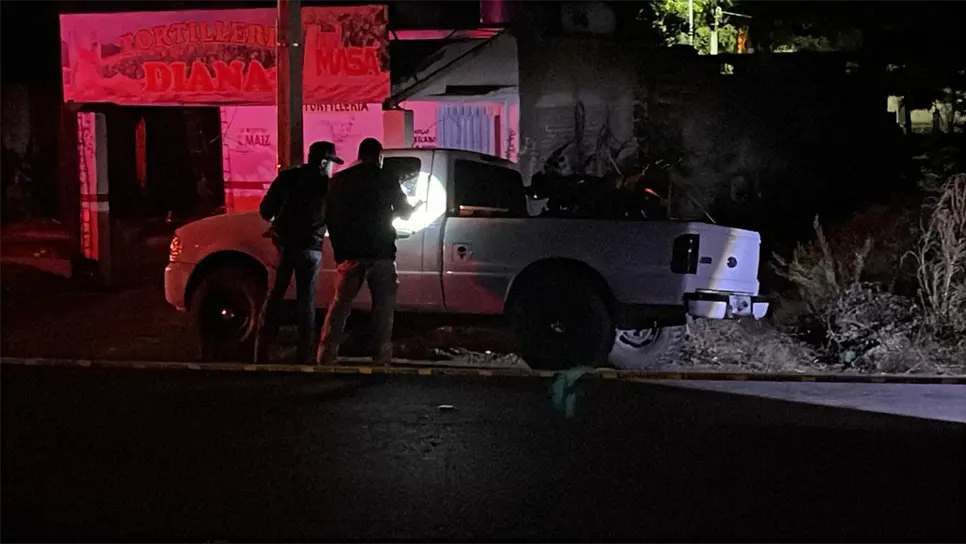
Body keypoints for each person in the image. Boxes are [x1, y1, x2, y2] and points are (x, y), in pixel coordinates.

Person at [317, 138, 422, 365]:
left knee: (340, 307)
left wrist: (340, 250)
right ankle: (381, 358)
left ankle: (325, 355)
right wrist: (413, 209)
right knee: (383, 308)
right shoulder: (387, 179)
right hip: (382, 251)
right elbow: (403, 213)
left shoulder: (340, 180)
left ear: (359, 154)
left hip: (351, 253)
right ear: (379, 157)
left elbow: (331, 217)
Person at [254, 141, 343, 364]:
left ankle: (260, 351)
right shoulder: (328, 186)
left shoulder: (287, 178)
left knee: (274, 296)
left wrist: (278, 224)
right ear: (324, 162)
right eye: (332, 163)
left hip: (283, 245)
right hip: (311, 249)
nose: (333, 168)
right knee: (307, 301)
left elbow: (266, 211)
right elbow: (335, 219)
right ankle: (305, 356)